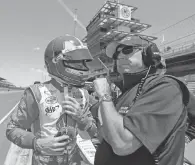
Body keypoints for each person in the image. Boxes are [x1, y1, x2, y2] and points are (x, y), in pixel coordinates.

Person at [92, 37, 191, 165]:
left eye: (127, 50)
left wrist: (104, 95)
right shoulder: (127, 92)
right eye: (117, 54)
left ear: (148, 54)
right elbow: (107, 134)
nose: (120, 56)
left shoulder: (165, 87)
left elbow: (123, 144)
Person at [6, 34, 97, 165]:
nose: (82, 65)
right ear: (57, 61)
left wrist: (82, 118)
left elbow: (94, 132)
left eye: (83, 61)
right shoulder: (36, 92)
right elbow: (12, 129)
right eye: (76, 61)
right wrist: (36, 143)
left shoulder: (84, 94)